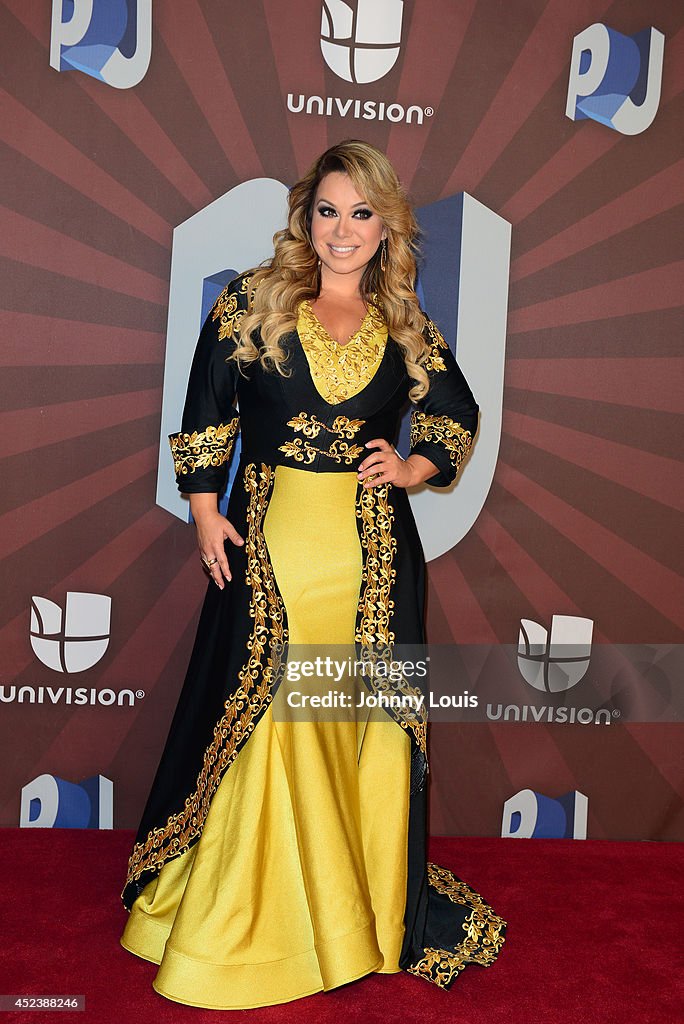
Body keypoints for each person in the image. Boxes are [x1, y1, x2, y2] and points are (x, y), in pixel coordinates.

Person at [120, 139, 506, 1008]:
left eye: (361, 213)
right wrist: (204, 508)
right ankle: (249, 922)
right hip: (269, 543)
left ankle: (347, 907)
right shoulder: (251, 302)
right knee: (269, 712)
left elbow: (455, 413)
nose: (342, 230)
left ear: (386, 227)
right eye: (328, 210)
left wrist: (415, 468)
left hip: (371, 562)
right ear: (307, 216)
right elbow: (206, 406)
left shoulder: (404, 324)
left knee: (349, 718)